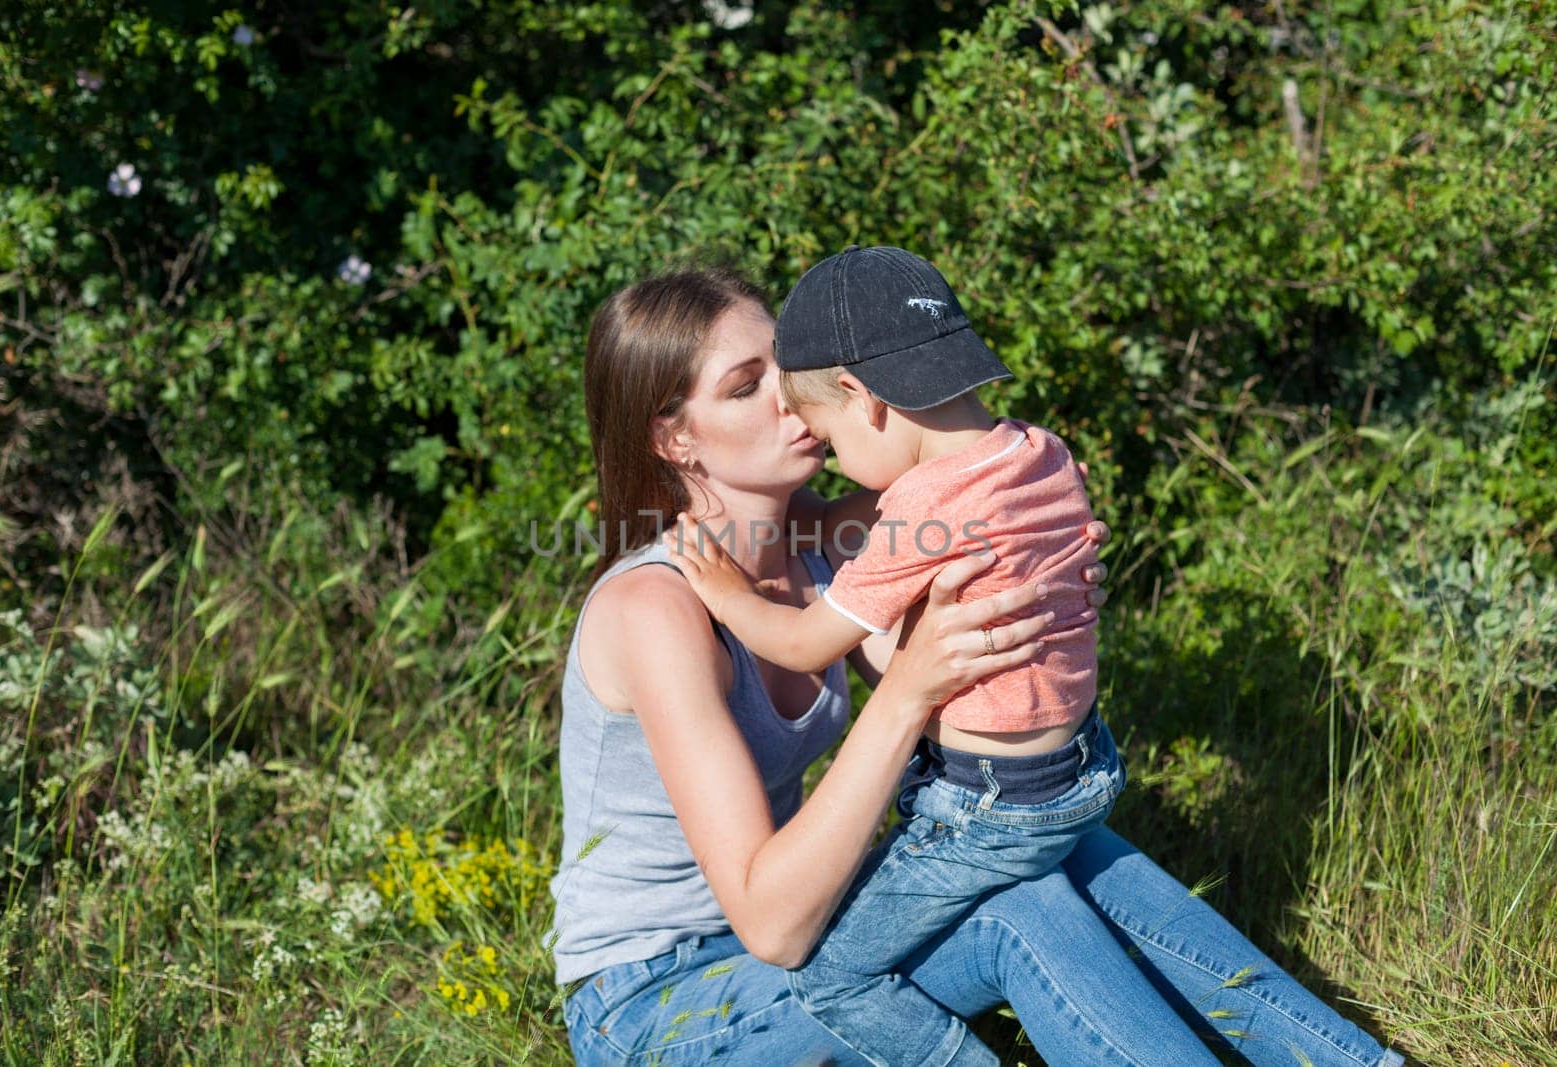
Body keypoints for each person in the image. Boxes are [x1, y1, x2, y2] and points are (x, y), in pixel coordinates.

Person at [551, 265, 1404, 1066]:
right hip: (659, 1004)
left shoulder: (821, 540)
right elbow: (772, 924)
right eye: (746, 387)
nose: (793, 398)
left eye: (791, 365)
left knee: (1056, 851)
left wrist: (1041, 587)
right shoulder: (656, 609)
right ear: (675, 437)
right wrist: (913, 684)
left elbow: (973, 504)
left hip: (786, 938)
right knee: (1016, 901)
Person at [662, 245, 1122, 1064]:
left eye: (830, 432)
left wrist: (728, 593)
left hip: (986, 797)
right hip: (1083, 768)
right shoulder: (1038, 454)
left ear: (862, 400)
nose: (811, 435)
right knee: (1104, 891)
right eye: (747, 387)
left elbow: (808, 637)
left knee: (833, 982)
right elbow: (862, 509)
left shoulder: (918, 508)